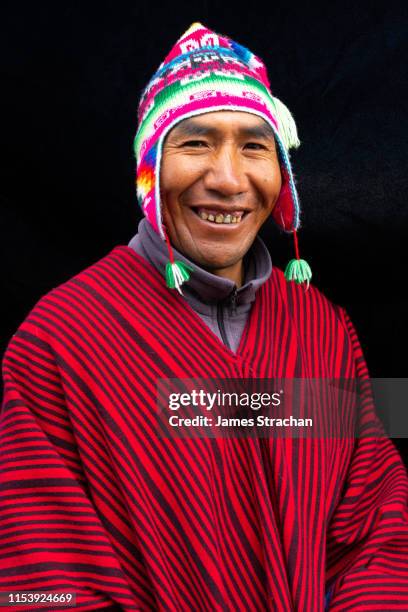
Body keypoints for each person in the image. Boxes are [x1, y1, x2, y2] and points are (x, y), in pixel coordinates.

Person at [1, 22, 408, 612]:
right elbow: (39, 581)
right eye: (195, 143)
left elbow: (377, 527)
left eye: (253, 146)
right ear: (150, 169)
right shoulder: (59, 339)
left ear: (281, 174)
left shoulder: (323, 330)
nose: (227, 179)